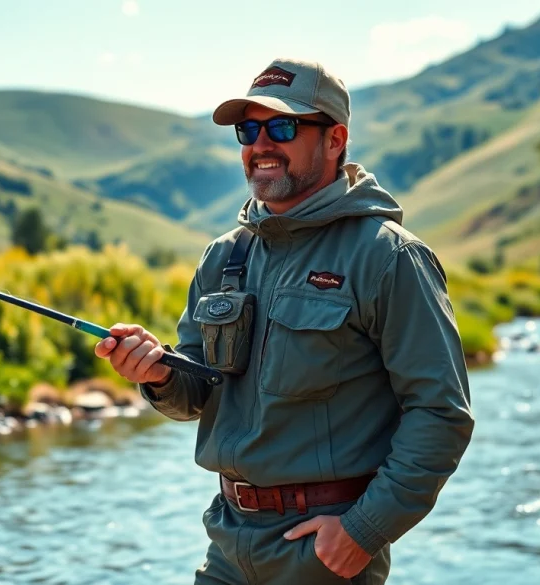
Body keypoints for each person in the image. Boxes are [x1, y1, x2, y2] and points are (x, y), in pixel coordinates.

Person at [94, 57, 475, 584]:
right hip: (228, 543)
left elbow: (440, 414)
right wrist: (155, 372)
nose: (260, 144)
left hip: (321, 552)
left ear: (335, 139)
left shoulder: (388, 258)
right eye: (248, 130)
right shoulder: (223, 258)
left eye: (283, 127)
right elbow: (196, 393)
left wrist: (365, 529)